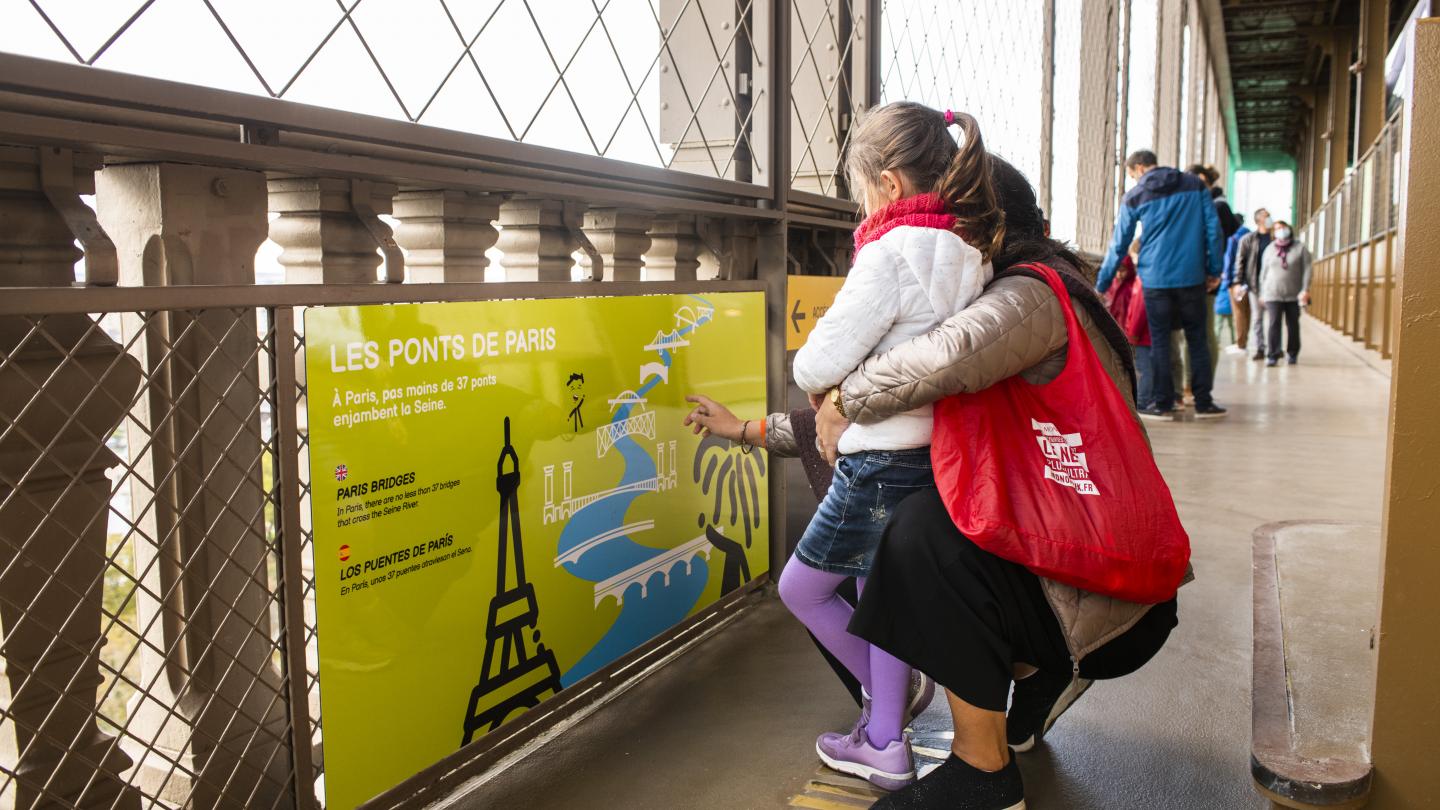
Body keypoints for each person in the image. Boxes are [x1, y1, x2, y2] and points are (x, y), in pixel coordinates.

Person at [806, 157, 1180, 810]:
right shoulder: (1052, 286)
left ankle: (982, 771)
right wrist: (764, 430)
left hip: (1102, 598)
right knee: (934, 516)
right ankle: (1034, 685)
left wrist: (842, 396)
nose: (927, 240)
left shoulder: (1028, 295)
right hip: (1094, 578)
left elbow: (939, 360)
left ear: (981, 230)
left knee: (916, 530)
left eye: (940, 225)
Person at [698, 102, 1004, 792]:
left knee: (801, 586)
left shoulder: (890, 252)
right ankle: (884, 741)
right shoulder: (967, 250)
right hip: (935, 453)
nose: (860, 204)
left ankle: (885, 702)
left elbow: (814, 365)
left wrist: (822, 383)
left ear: (889, 186)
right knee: (878, 592)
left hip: (877, 459)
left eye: (860, 189)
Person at [1098, 150, 1226, 420]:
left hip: (1155, 279)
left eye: (1133, 175)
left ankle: (1163, 404)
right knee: (1197, 338)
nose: (1135, 180)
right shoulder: (1195, 185)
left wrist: (1103, 282)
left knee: (1159, 340)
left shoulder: (1134, 196)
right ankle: (1203, 403)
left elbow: (1119, 243)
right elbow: (1212, 229)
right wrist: (1214, 269)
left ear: (1140, 168)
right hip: (1192, 275)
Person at [1257, 220, 1313, 366]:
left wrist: (1305, 289)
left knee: (1293, 324)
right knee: (1274, 323)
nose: (1280, 230)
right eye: (1277, 229)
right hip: (1272, 293)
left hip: (1293, 294)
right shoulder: (1269, 249)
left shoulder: (1300, 248)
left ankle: (1292, 353)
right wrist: (1262, 292)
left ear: (1289, 229)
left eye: (1283, 227)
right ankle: (1273, 354)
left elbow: (1307, 270)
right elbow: (1263, 272)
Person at [1233, 208, 1274, 360]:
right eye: (1266, 216)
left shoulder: (1275, 239)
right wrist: (1237, 282)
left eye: (1269, 216)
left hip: (1273, 286)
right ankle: (1260, 348)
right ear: (1259, 220)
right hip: (1254, 285)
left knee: (1274, 320)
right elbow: (1240, 261)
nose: (1269, 218)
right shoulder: (1248, 239)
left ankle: (1274, 348)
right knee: (1257, 319)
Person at [1222, 213, 1253, 353]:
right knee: (1248, 312)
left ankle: (1241, 344)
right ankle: (1244, 341)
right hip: (1251, 282)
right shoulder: (1252, 237)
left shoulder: (1233, 238)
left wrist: (1229, 281)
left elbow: (1229, 261)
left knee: (1238, 312)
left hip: (1237, 281)